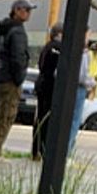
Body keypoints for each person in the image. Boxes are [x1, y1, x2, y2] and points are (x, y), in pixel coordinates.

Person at [0, 0, 33, 161]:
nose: (28, 13)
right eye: (26, 10)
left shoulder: (3, 29)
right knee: (6, 115)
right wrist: (19, 78)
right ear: (17, 10)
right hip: (9, 79)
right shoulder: (17, 31)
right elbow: (18, 57)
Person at [32, 24, 63, 162]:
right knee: (46, 120)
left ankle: (36, 150)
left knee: (40, 118)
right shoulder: (57, 48)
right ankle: (42, 150)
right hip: (49, 87)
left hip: (42, 85)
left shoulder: (47, 46)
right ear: (60, 34)